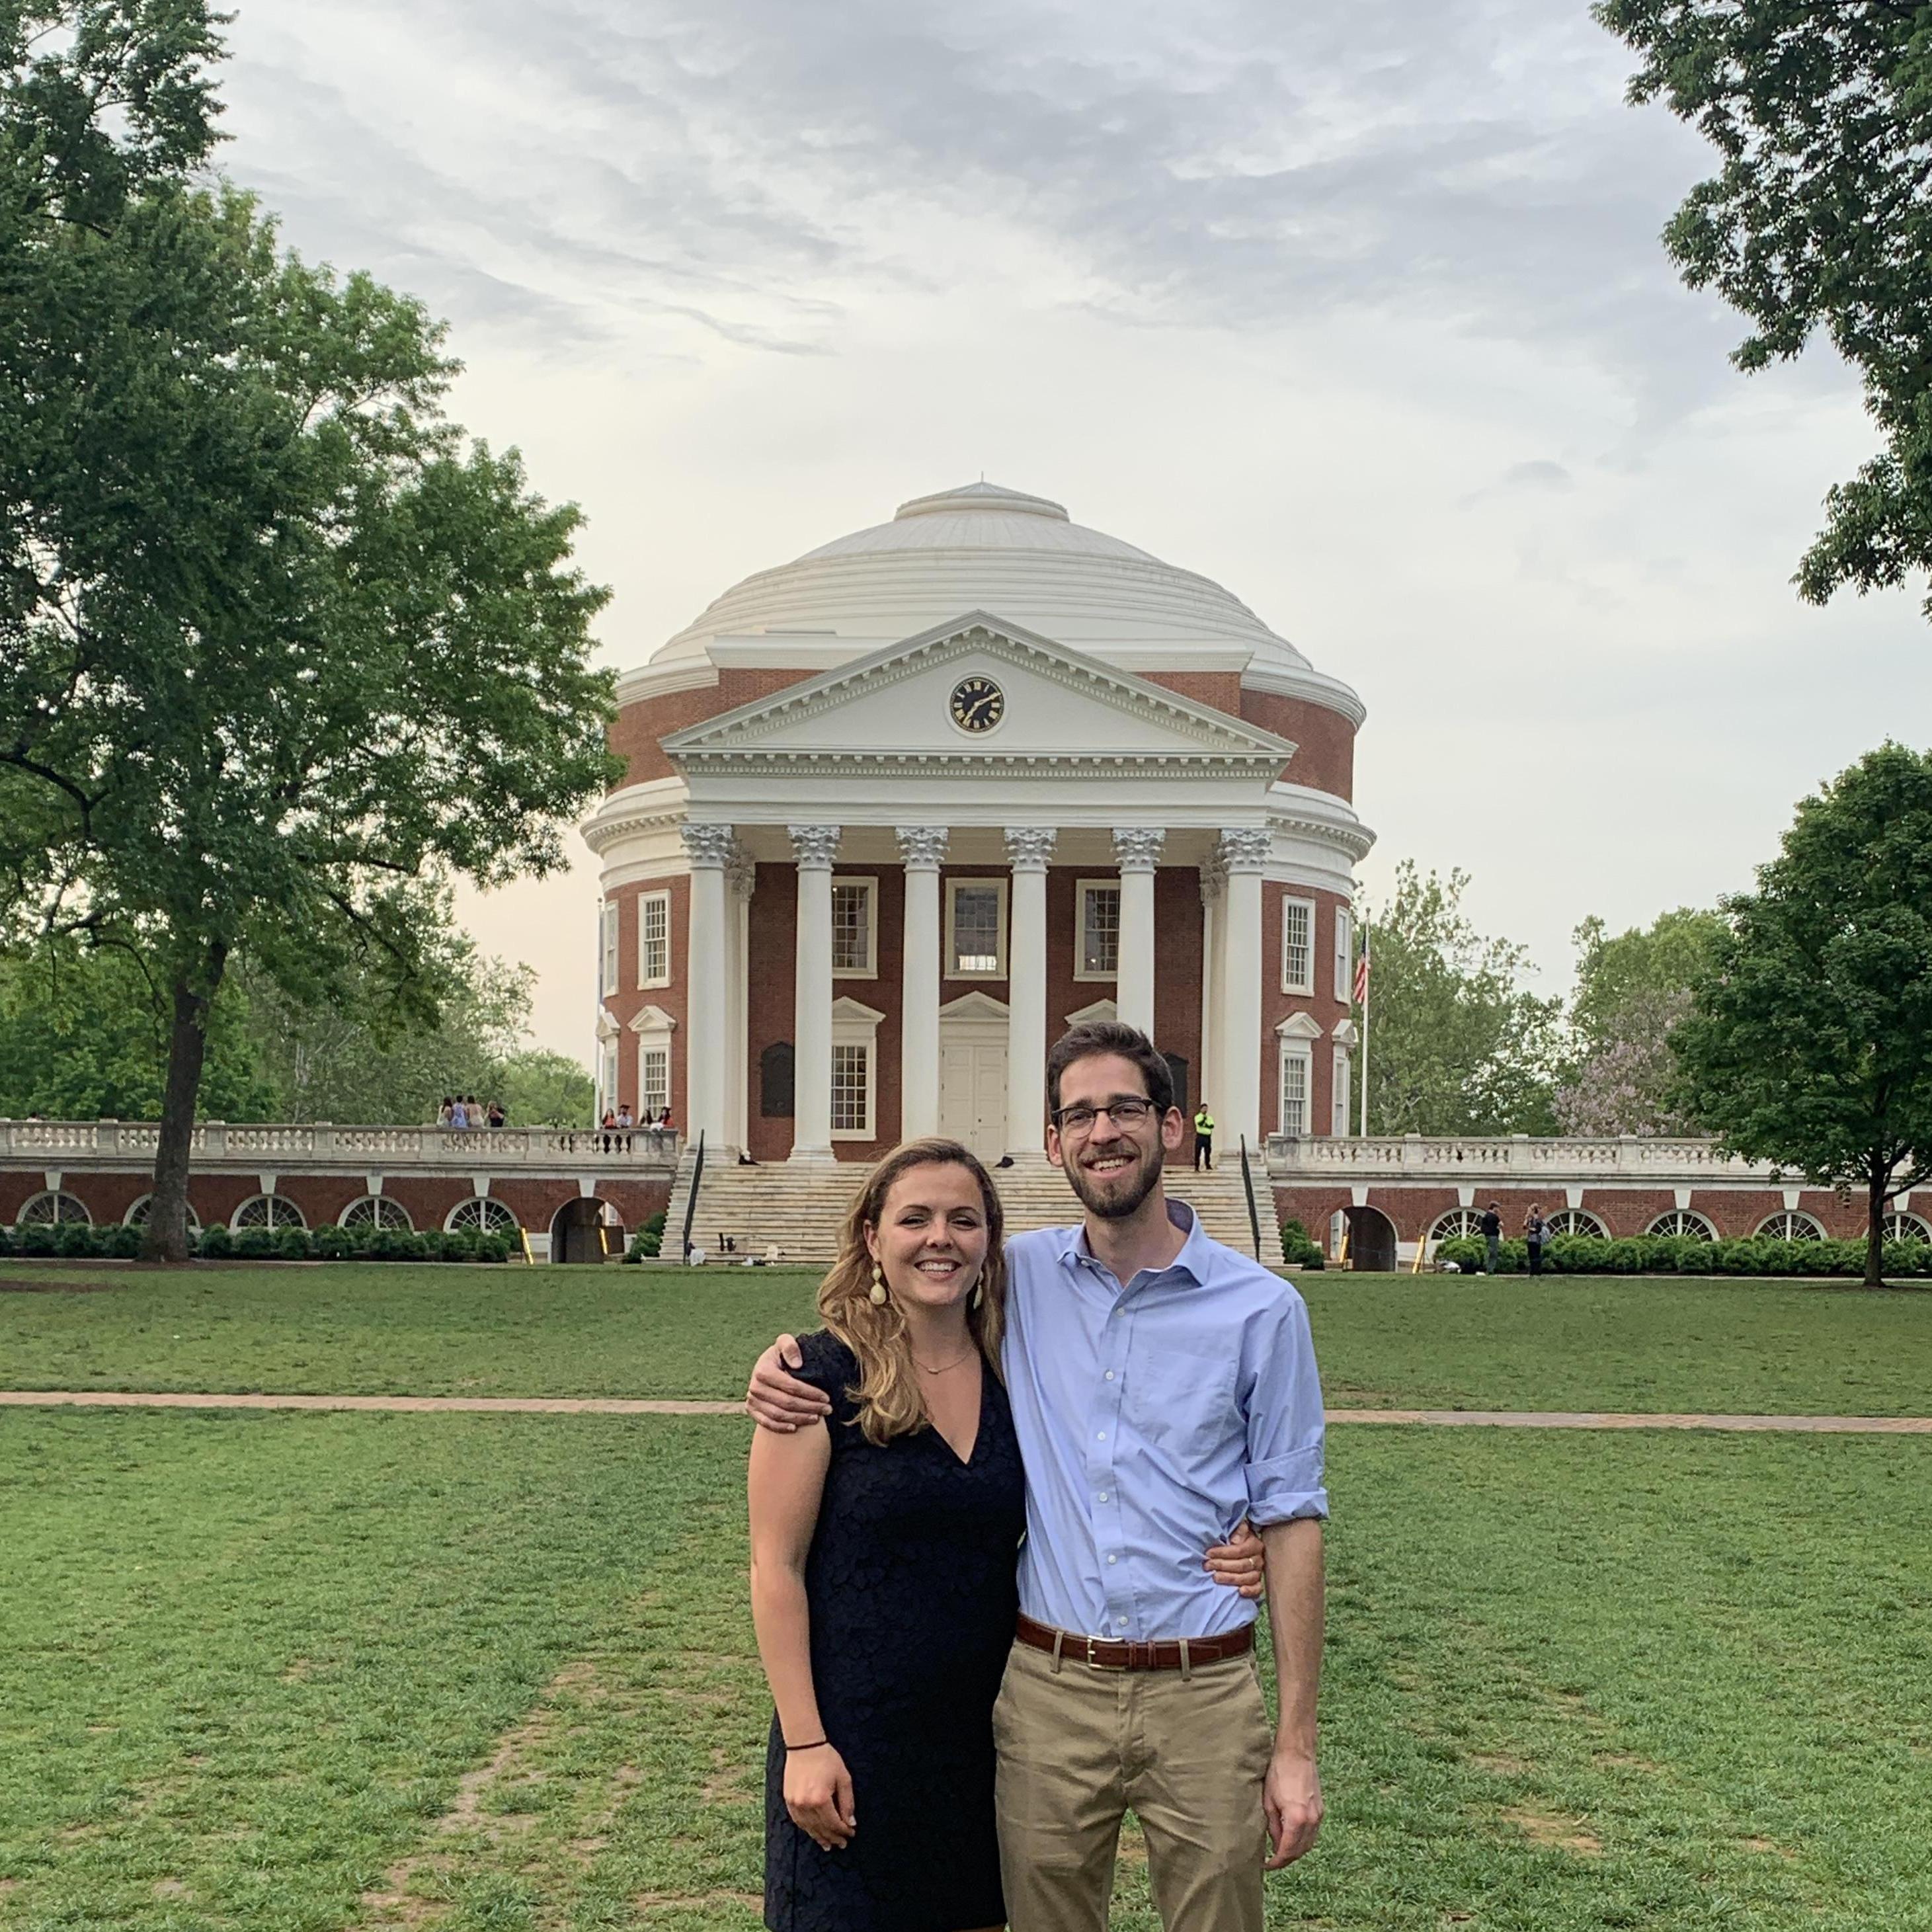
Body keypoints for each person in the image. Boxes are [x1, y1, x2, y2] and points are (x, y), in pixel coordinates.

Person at [750, 1021, 1326, 1931]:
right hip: (1049, 1689)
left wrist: (1295, 1743)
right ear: (1052, 1141)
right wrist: (784, 1362)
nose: (1104, 1131)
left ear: (1171, 1125)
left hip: (1205, 1691)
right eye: (1080, 1114)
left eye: (1126, 1107)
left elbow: (1293, 1512)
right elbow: (897, 1310)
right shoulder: (1020, 1278)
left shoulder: (1263, 1309)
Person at [1524, 1202, 1549, 1278]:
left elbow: (1537, 1229)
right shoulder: (1530, 1219)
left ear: (1534, 1210)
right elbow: (1524, 1226)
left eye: (1530, 1210)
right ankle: (1532, 1272)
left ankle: (1537, 1272)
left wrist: (1529, 1229)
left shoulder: (1537, 1220)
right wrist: (1526, 1219)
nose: (1528, 1211)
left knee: (1536, 1256)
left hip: (1536, 1240)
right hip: (1530, 1240)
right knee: (1531, 1256)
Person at [1192, 1100, 1216, 1171]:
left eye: (1206, 1108)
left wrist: (1205, 1124)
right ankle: (1197, 1167)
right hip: (1200, 1136)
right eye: (1204, 1108)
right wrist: (1204, 1121)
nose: (1205, 1110)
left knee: (1208, 1151)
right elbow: (1199, 1124)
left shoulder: (1210, 1118)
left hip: (1207, 1136)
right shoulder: (1197, 1117)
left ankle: (1208, 1165)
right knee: (1198, 1151)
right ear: (1201, 1109)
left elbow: (1211, 1126)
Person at [1480, 1201, 1502, 1275]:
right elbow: (1500, 1225)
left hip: (1487, 1236)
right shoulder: (1495, 1217)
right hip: (1493, 1236)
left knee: (1489, 1252)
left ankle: (1487, 1268)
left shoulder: (1485, 1216)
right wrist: (1499, 1227)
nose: (1498, 1210)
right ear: (1494, 1208)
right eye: (1498, 1208)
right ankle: (1490, 1270)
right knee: (1493, 1254)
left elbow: (1482, 1228)